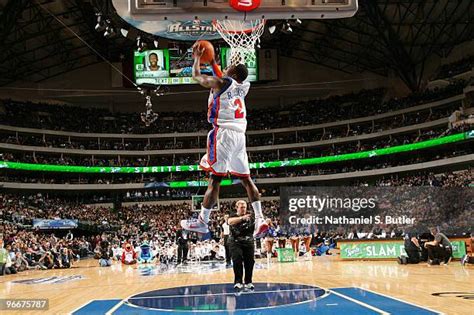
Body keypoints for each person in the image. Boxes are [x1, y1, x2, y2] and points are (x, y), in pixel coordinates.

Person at [180, 42, 268, 239]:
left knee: (215, 178)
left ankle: (202, 222)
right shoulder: (243, 86)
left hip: (224, 135)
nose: (226, 66)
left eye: (229, 67)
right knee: (246, 179)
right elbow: (224, 77)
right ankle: (260, 218)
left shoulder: (224, 83)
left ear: (233, 74)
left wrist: (196, 59)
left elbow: (197, 77)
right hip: (239, 136)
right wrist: (211, 62)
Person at [227, 200, 256, 290]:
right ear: (237, 207)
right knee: (237, 261)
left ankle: (248, 282)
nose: (243, 209)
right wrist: (242, 218)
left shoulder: (251, 215)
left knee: (250, 262)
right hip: (235, 242)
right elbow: (229, 222)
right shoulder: (232, 215)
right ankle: (238, 282)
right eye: (241, 207)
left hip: (248, 241)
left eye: (245, 207)